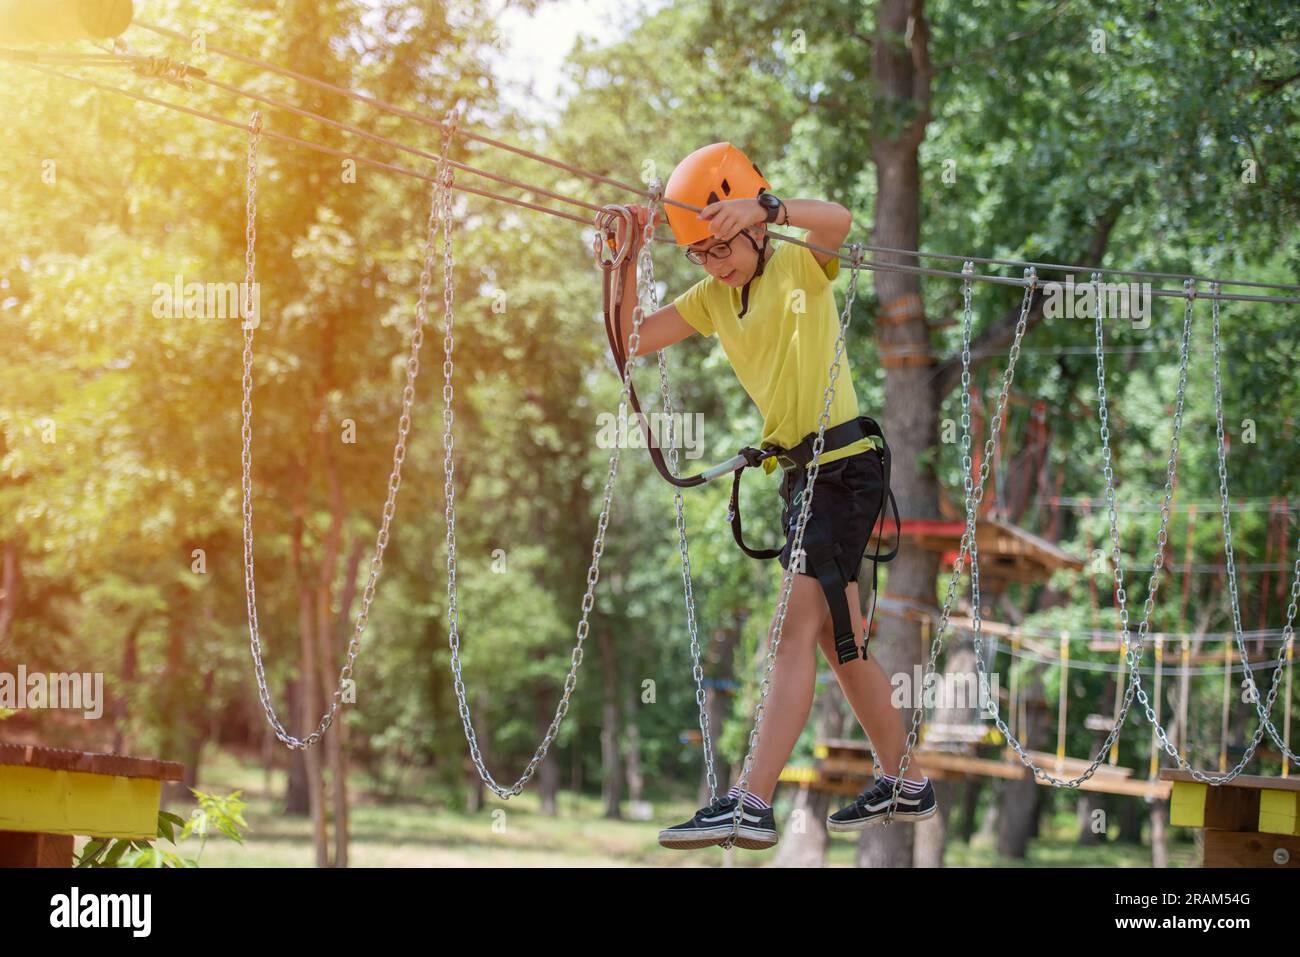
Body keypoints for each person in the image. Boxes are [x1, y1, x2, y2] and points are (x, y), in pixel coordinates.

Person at [610, 143, 936, 850]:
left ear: (755, 224)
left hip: (842, 467)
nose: (716, 262)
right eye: (699, 251)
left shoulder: (796, 262)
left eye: (723, 243)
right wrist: (628, 255)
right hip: (805, 477)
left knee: (792, 629)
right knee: (836, 642)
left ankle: (750, 801)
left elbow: (838, 222)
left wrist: (770, 208)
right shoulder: (714, 297)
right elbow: (634, 339)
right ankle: (904, 777)